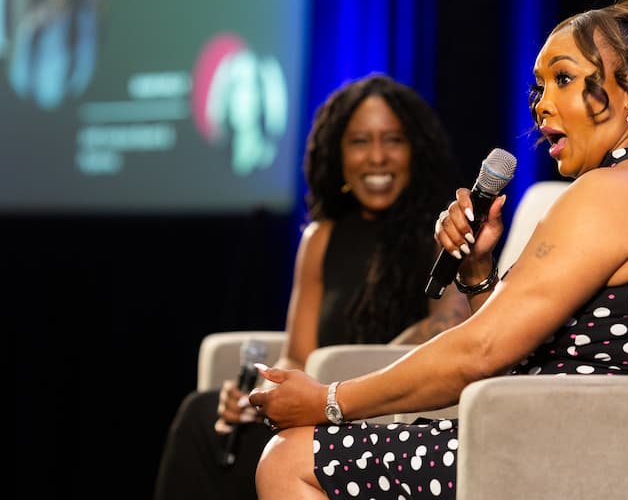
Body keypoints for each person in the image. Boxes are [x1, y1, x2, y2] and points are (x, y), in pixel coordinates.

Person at [248, 0, 628, 499]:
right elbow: (518, 352)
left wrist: (329, 400)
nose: (541, 104)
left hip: (571, 456)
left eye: (564, 79)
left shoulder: (616, 190)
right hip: (577, 442)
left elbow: (480, 353)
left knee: (291, 458)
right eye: (538, 87)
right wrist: (477, 269)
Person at [152, 74, 470, 500]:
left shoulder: (441, 230)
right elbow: (297, 353)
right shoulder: (320, 237)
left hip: (373, 414)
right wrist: (261, 394)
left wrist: (344, 381)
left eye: (393, 140)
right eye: (360, 141)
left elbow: (452, 328)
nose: (377, 157)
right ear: (338, 155)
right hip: (309, 409)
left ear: (416, 151)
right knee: (206, 415)